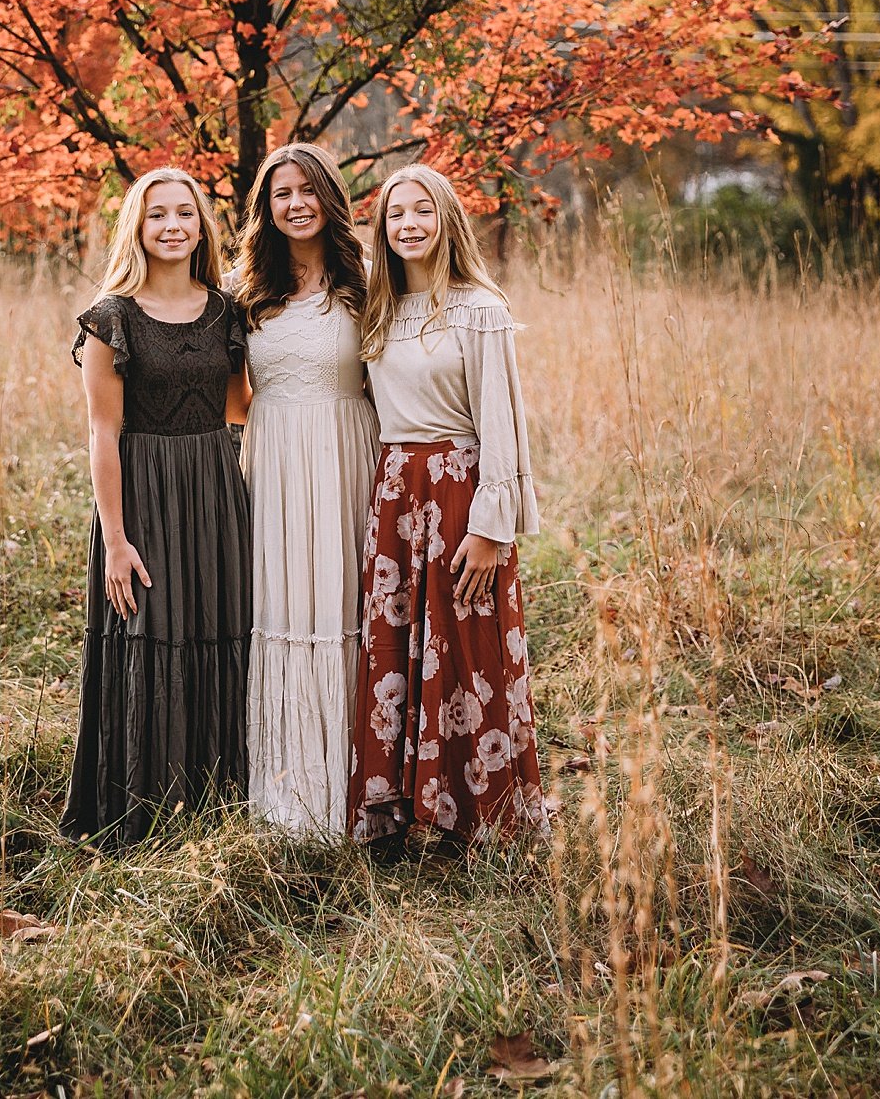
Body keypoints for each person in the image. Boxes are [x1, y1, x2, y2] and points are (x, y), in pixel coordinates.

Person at [348, 164, 545, 848]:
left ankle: (481, 816)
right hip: (396, 489)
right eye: (396, 213)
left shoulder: (479, 309)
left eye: (423, 211)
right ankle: (402, 809)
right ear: (381, 226)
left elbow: (501, 420)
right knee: (398, 649)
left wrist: (493, 527)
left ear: (447, 221)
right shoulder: (375, 308)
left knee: (465, 647)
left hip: (458, 488)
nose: (409, 224)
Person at [62, 168, 251, 847]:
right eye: (157, 215)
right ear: (136, 229)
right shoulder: (112, 317)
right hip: (141, 497)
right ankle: (143, 815)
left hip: (215, 493)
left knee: (219, 635)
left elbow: (237, 411)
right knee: (152, 639)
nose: (173, 226)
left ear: (202, 226)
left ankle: (218, 807)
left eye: (185, 214)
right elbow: (102, 434)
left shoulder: (228, 312)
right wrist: (115, 539)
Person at [233, 142, 378, 834]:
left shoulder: (368, 281)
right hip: (275, 460)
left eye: (306, 191)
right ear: (266, 207)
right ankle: (285, 784)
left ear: (329, 197)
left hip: (350, 456)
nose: (295, 204)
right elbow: (233, 397)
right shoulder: (246, 290)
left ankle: (355, 782)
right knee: (282, 605)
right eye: (280, 194)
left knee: (343, 604)